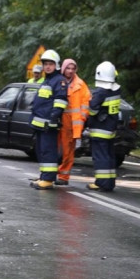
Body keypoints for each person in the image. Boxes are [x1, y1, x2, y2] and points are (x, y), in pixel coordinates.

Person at [29, 49, 68, 190]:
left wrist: (53, 119)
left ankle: (48, 179)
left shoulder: (59, 81)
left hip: (48, 125)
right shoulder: (47, 80)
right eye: (45, 64)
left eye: (50, 64)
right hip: (40, 124)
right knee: (41, 150)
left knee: (48, 151)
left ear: (56, 65)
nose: (47, 66)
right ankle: (44, 175)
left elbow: (60, 103)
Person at [86, 62, 124, 191]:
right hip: (110, 129)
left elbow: (92, 110)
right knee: (108, 156)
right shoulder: (116, 90)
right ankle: (109, 182)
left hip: (100, 129)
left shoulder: (101, 92)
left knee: (100, 157)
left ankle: (102, 183)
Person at [55, 58, 90, 187]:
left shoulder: (80, 85)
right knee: (53, 149)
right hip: (56, 120)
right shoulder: (57, 81)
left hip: (71, 123)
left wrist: (81, 119)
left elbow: (86, 104)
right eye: (68, 68)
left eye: (73, 68)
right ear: (63, 69)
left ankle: (64, 176)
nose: (70, 71)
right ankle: (49, 174)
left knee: (67, 151)